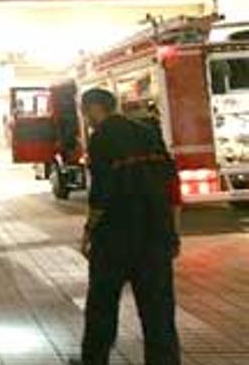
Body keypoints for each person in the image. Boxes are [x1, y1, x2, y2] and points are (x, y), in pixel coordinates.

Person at [77, 88, 181, 365]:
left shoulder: (101, 138)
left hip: (115, 239)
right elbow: (171, 186)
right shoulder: (149, 132)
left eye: (85, 112)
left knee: (102, 306)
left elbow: (101, 193)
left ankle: (94, 360)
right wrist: (173, 231)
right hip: (156, 237)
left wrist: (88, 232)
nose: (86, 119)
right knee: (158, 310)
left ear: (94, 108)